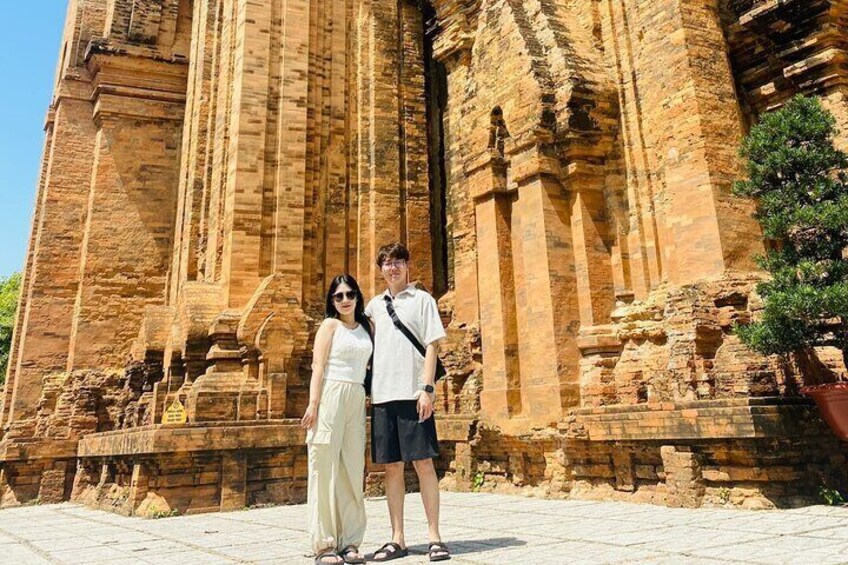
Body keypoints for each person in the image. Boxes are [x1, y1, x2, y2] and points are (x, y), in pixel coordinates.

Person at [365, 243, 451, 562]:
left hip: (414, 395)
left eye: (398, 261)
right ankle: (397, 538)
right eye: (387, 263)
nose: (393, 268)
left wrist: (427, 389)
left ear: (407, 265)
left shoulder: (422, 300)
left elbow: (432, 345)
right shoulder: (374, 307)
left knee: (424, 463)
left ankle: (434, 537)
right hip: (383, 395)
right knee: (392, 468)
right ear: (381, 269)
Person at [302, 274, 372, 565]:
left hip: (356, 396)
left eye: (350, 294)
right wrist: (313, 404)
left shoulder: (367, 327)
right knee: (324, 467)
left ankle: (350, 541)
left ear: (357, 296)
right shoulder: (329, 326)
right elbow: (318, 366)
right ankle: (325, 545)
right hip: (331, 394)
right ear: (332, 301)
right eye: (338, 296)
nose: (345, 300)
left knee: (352, 468)